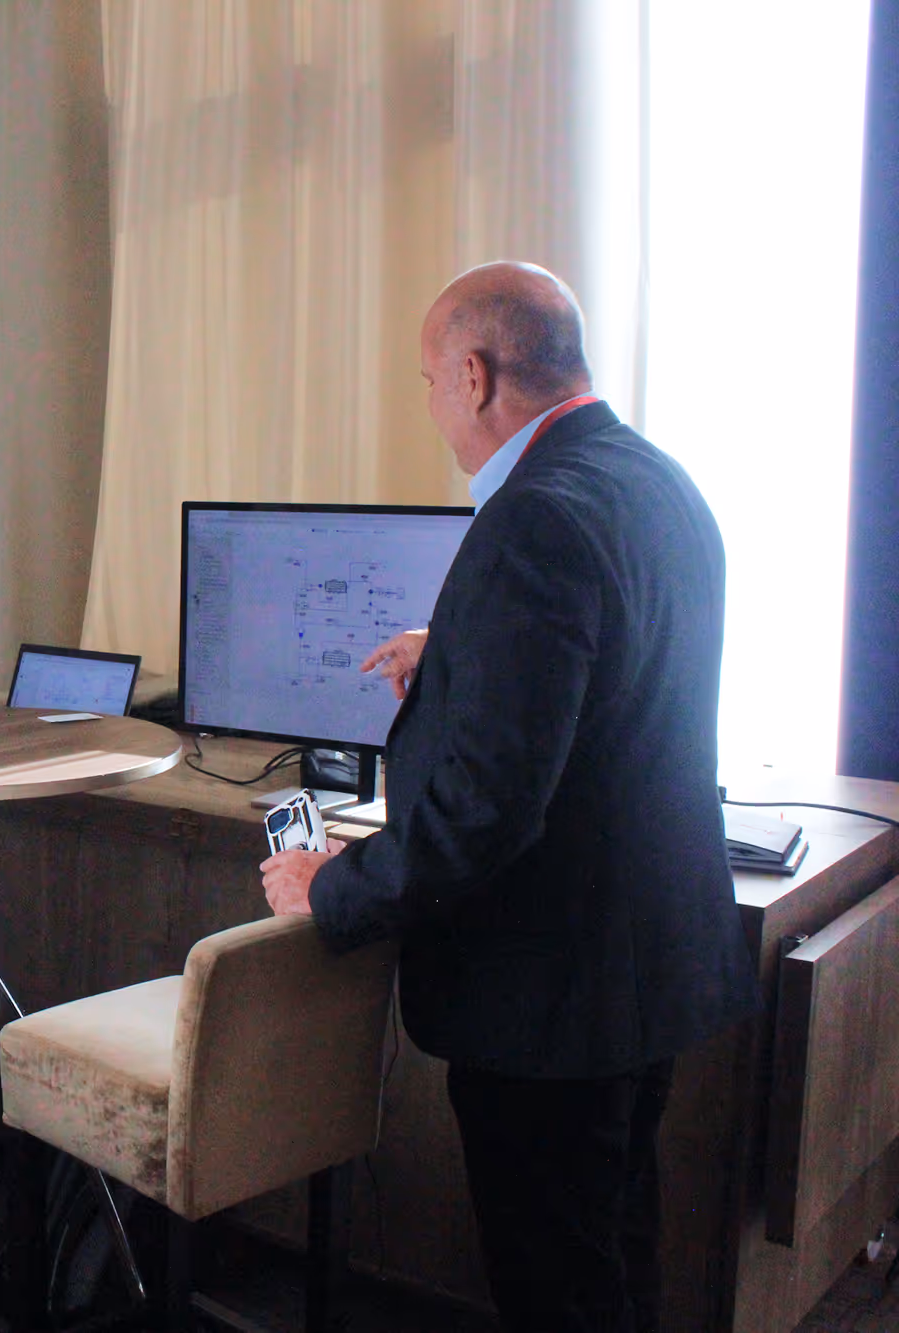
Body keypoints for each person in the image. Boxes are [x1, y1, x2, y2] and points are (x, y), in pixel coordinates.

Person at [260, 262, 759, 1333]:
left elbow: (481, 811)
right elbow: (617, 656)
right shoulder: (652, 479)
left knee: (556, 1287)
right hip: (641, 967)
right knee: (613, 1250)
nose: (434, 404)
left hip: (550, 996)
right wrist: (457, 653)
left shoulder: (532, 520)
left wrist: (329, 885)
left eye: (430, 379)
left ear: (477, 376)